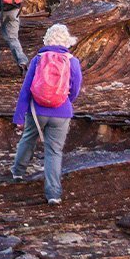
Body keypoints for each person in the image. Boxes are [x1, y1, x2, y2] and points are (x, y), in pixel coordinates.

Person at [11, 24, 83, 205]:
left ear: (47, 39)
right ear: (67, 41)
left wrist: (19, 116)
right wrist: (64, 102)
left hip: (37, 111)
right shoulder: (72, 61)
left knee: (28, 138)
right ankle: (53, 194)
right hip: (61, 112)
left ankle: (18, 172)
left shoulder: (38, 59)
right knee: (54, 151)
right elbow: (75, 89)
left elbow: (26, 89)